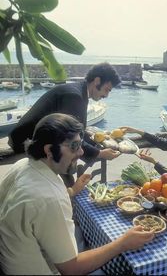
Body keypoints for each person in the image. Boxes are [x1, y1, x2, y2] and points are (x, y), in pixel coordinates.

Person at [0, 113, 154, 275]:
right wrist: (122, 243)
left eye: (80, 144)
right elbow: (72, 269)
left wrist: (72, 191)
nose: (81, 152)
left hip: (14, 259)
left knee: (84, 234)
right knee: (119, 268)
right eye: (74, 146)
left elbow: (37, 208)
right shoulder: (48, 199)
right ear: (49, 150)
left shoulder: (23, 165)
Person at [8, 62, 121, 187]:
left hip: (37, 141)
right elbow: (70, 136)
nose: (106, 95)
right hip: (26, 144)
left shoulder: (78, 91)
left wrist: (96, 145)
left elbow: (75, 133)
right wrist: (99, 153)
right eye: (106, 89)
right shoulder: (74, 97)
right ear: (97, 81)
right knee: (63, 183)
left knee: (66, 177)